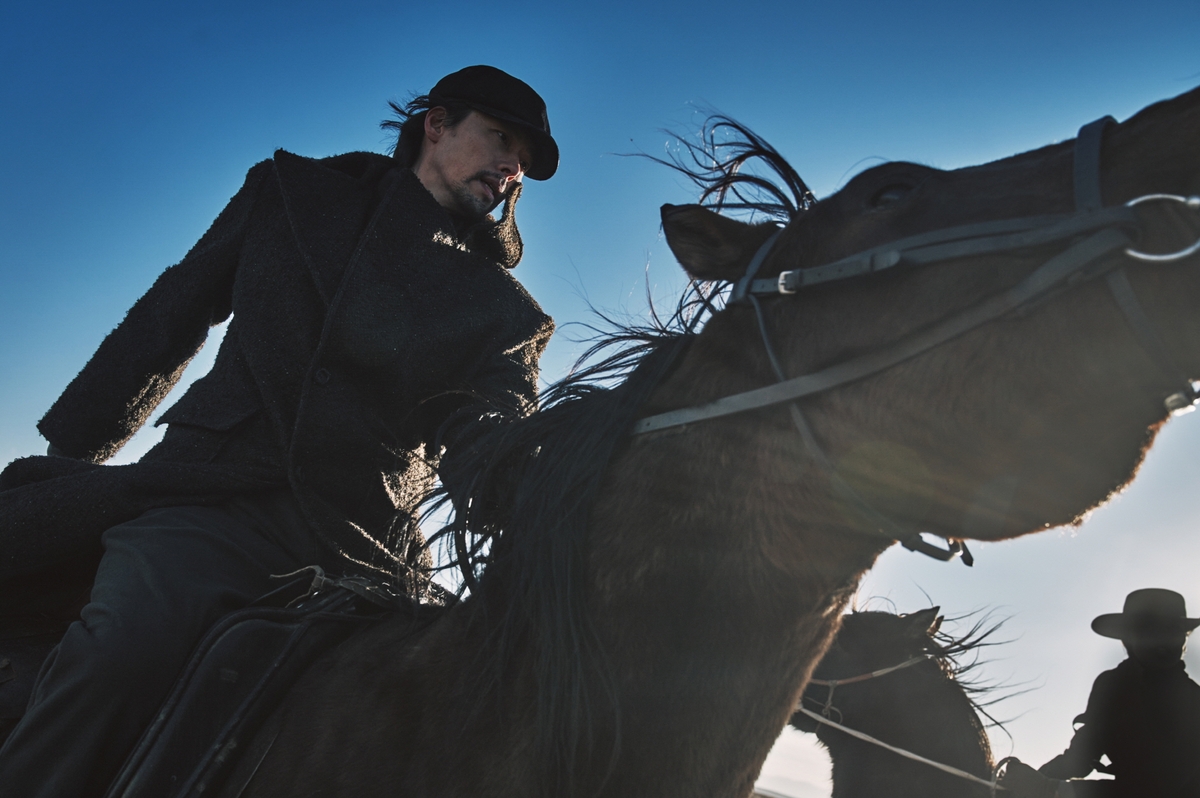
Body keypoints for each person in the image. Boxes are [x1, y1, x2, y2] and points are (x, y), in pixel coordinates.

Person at [0, 65, 557, 797]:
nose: (513, 166)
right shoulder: (291, 192)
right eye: (501, 138)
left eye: (524, 161)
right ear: (436, 124)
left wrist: (524, 485)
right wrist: (82, 441)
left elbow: (486, 425)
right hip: (212, 497)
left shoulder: (508, 314)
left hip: (363, 541)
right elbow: (175, 309)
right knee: (123, 655)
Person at [1003, 588, 1200, 798]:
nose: (1163, 641)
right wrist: (1025, 782)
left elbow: (1166, 785)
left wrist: (1052, 789)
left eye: (1173, 630)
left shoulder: (1192, 700)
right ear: (1129, 638)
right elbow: (1081, 757)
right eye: (1151, 630)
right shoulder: (1111, 684)